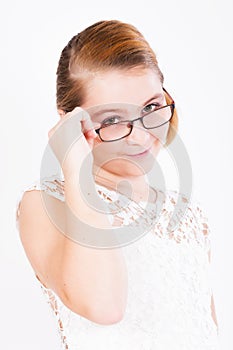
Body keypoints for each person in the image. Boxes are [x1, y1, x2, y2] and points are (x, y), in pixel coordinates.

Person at [15, 20, 219, 349]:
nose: (141, 135)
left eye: (151, 107)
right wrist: (75, 165)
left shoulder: (190, 219)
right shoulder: (46, 205)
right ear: (70, 120)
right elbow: (104, 306)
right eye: (112, 119)